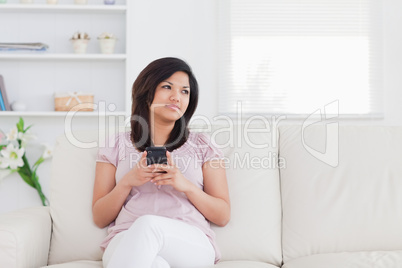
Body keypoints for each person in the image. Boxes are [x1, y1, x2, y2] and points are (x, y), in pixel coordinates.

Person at [92, 57, 231, 268]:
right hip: (126, 239)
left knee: (148, 225)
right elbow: (100, 217)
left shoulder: (203, 145)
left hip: (189, 241)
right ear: (147, 92)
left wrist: (184, 185)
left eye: (185, 91)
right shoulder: (116, 144)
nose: (177, 97)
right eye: (167, 87)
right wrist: (128, 182)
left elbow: (222, 215)